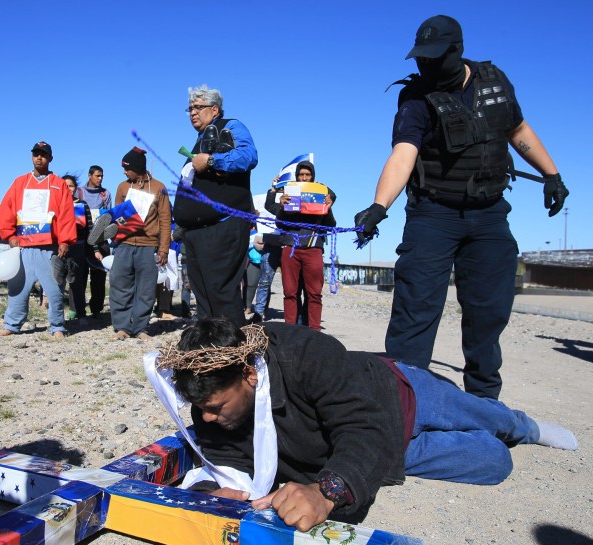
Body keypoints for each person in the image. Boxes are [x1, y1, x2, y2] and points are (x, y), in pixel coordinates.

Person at [146, 317, 578, 531]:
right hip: (387, 448)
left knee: (488, 416)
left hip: (396, 395)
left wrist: (326, 492)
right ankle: (498, 441)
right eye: (198, 408)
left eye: (216, 407)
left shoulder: (305, 353)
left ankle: (526, 426)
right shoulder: (211, 395)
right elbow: (220, 458)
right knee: (494, 463)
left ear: (250, 375)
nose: (205, 418)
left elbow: (361, 427)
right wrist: (211, 490)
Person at [353, 15, 569, 399]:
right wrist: (378, 206)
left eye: (435, 57)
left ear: (457, 50)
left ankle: (484, 403)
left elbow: (517, 130)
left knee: (489, 311)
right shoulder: (416, 97)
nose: (426, 64)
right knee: (415, 308)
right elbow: (404, 153)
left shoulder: (494, 81)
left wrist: (551, 175)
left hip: (488, 213)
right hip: (433, 215)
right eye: (421, 57)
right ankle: (404, 404)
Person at [173, 84, 258, 327]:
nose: (192, 113)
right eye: (189, 108)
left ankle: (236, 354)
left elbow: (248, 156)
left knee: (221, 292)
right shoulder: (199, 140)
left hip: (223, 225)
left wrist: (211, 160)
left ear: (215, 109)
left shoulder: (231, 126)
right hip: (197, 231)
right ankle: (211, 352)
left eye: (198, 107)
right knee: (203, 297)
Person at [0, 141, 76, 338]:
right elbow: (7, 208)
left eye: (43, 154)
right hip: (22, 246)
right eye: (36, 154)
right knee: (18, 288)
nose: (39, 157)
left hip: (48, 247)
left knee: (54, 289)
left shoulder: (58, 184)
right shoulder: (20, 182)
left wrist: (65, 240)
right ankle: (12, 324)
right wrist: (9, 235)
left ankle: (57, 326)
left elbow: (66, 214)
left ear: (50, 158)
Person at [109, 147, 171, 341]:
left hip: (148, 245)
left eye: (127, 168)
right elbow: (116, 217)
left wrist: (164, 249)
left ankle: (141, 327)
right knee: (120, 285)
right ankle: (122, 327)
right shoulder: (122, 187)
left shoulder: (159, 187)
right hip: (124, 244)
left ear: (138, 167)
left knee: (145, 288)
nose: (124, 172)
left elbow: (165, 220)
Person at [265, 161, 336, 331]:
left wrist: (328, 208)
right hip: (291, 249)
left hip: (313, 248)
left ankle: (314, 332)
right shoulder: (289, 197)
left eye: (308, 175)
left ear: (313, 177)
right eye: (301, 175)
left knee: (314, 293)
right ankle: (290, 331)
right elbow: (280, 224)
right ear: (297, 177)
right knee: (290, 292)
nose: (304, 177)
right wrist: (282, 206)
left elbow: (331, 225)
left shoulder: (321, 195)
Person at [62, 174, 107, 327]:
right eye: (65, 185)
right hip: (60, 249)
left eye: (71, 186)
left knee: (78, 282)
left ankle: (81, 313)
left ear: (76, 188)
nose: (68, 189)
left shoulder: (82, 205)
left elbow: (90, 229)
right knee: (60, 282)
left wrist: (95, 249)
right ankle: (59, 316)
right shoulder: (56, 204)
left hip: (79, 247)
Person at [75, 165, 111, 320]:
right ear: (89, 176)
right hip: (82, 240)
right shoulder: (79, 192)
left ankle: (96, 308)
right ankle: (77, 308)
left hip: (100, 239)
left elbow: (109, 215)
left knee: (99, 277)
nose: (100, 179)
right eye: (97, 176)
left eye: (102, 176)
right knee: (79, 275)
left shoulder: (105, 194)